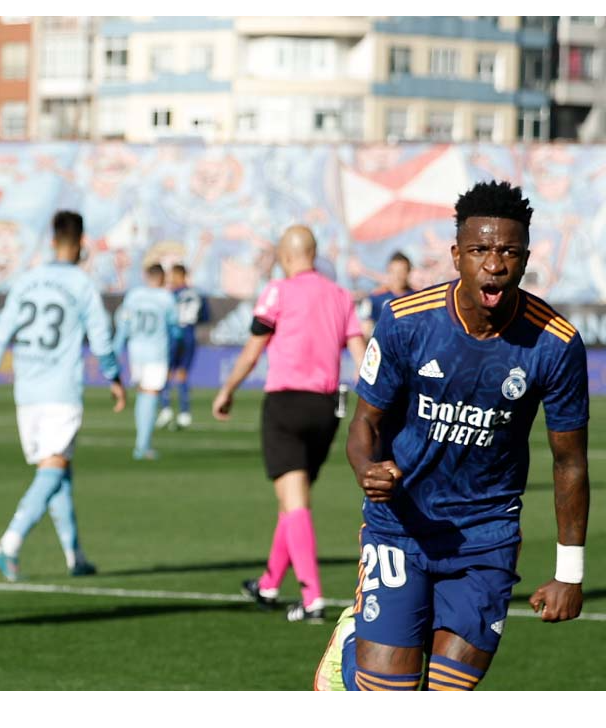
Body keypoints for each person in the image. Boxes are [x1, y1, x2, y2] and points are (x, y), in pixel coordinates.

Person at [315, 181, 589, 691]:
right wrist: (365, 469)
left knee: (448, 687)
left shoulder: (555, 344)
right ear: (456, 255)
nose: (495, 263)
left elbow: (569, 462)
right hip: (401, 525)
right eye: (481, 249)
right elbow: (365, 422)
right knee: (387, 688)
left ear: (526, 259)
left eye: (509, 251)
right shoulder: (405, 323)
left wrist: (569, 572)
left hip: (486, 534)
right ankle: (353, 648)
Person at [212, 225, 366, 623]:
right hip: (326, 408)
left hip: (285, 402)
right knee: (292, 498)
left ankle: (312, 597)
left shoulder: (277, 291)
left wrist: (228, 388)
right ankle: (268, 583)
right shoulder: (340, 296)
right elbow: (361, 353)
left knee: (294, 499)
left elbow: (253, 349)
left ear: (285, 254)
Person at [0, 210, 126, 581]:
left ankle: (75, 556)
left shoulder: (27, 280)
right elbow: (101, 336)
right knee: (53, 469)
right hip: (60, 391)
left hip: (27, 391)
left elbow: (2, 330)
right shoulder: (82, 284)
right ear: (82, 244)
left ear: (52, 241)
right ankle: (8, 544)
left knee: (57, 471)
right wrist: (114, 378)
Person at [114, 264, 179, 459]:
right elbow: (174, 328)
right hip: (156, 352)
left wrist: (117, 348)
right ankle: (142, 446)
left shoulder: (134, 296)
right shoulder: (166, 298)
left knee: (143, 393)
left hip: (136, 351)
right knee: (150, 394)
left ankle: (141, 443)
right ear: (162, 278)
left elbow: (123, 323)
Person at [156, 264, 208, 430]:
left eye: (173, 275)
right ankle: (185, 413)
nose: (171, 279)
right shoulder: (198, 294)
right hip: (190, 335)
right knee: (183, 375)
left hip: (174, 335)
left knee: (167, 373)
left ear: (180, 275)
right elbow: (205, 317)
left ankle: (166, 409)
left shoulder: (171, 295)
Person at [359, 252, 414, 338]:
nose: (397, 276)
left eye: (401, 272)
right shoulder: (376, 298)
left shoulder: (416, 297)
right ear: (388, 272)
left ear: (408, 273)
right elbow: (366, 329)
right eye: (393, 272)